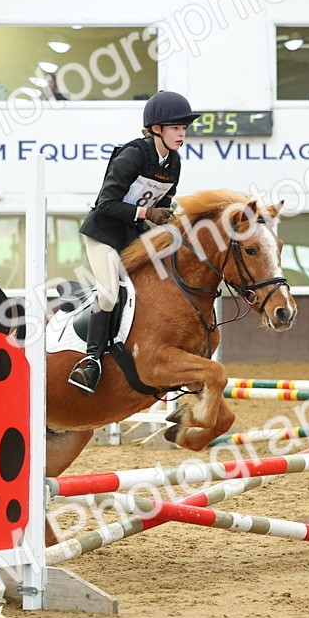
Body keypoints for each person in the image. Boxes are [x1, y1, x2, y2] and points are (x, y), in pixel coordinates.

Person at [67, 90, 200, 393]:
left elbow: (163, 200)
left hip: (134, 234)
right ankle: (91, 361)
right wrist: (148, 212)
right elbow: (106, 204)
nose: (182, 134)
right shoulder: (132, 155)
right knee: (110, 291)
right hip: (104, 233)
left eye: (184, 128)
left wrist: (167, 216)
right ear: (157, 129)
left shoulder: (174, 162)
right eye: (176, 128)